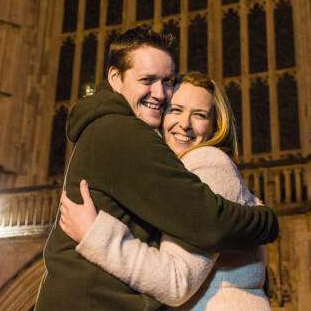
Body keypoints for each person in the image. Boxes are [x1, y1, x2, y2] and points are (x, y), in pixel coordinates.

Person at [35, 27, 278, 311]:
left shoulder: (112, 128)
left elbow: (202, 230)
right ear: (115, 78)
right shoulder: (123, 133)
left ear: (215, 125)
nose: (160, 94)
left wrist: (95, 233)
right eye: (147, 80)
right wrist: (266, 221)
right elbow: (211, 223)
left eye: (167, 81)